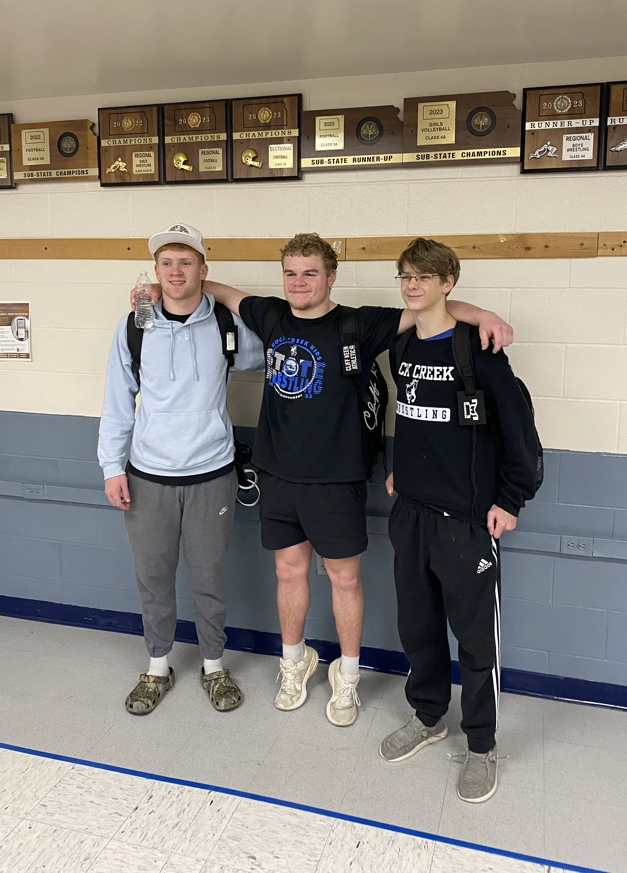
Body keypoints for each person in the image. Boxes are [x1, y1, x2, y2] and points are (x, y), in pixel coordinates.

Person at [201, 233, 513, 727]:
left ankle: (347, 677)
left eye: (309, 273)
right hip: (278, 475)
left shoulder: (361, 323)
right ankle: (293, 661)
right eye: (290, 273)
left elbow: (435, 311)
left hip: (337, 480)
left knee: (344, 579)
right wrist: (186, 281)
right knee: (288, 573)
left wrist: (487, 317)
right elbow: (224, 293)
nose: (298, 282)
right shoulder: (270, 314)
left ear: (330, 276)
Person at [379, 237, 539, 802]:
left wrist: (511, 501)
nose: (412, 285)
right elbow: (410, 416)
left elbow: (521, 434)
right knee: (417, 629)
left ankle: (481, 745)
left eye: (424, 276)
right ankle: (428, 718)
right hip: (412, 515)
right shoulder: (400, 347)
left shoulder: (480, 352)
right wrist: (400, 469)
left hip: (468, 522)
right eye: (405, 276)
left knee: (474, 643)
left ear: (449, 282)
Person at [98, 223, 263, 716]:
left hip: (213, 474)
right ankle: (157, 667)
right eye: (166, 263)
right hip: (148, 476)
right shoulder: (134, 326)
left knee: (209, 578)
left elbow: (284, 336)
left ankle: (214, 667)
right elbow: (116, 401)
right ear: (155, 271)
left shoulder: (227, 328)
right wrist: (112, 466)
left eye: (186, 262)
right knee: (154, 578)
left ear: (203, 270)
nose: (175, 272)